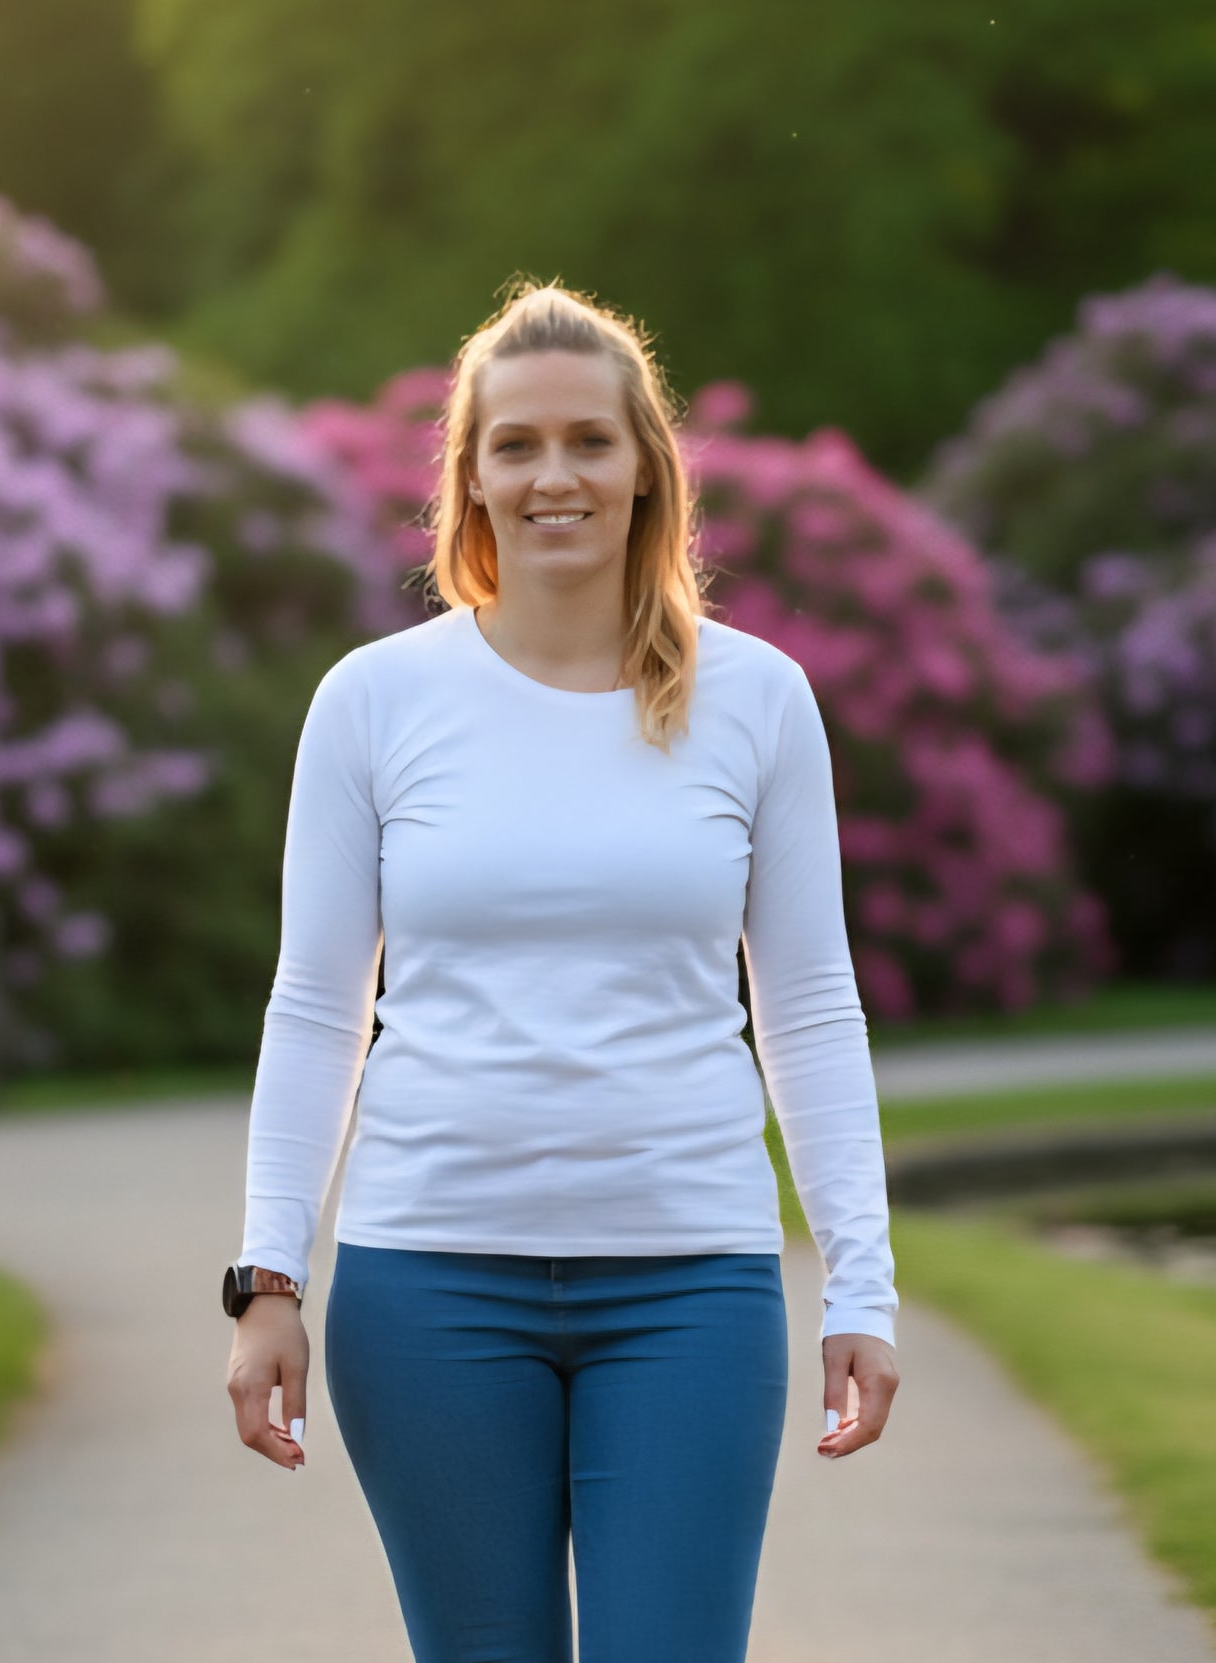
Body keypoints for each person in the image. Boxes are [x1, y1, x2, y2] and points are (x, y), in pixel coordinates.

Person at [225, 278, 900, 1663]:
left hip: (690, 1286)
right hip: (427, 1287)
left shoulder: (758, 699)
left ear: (647, 468)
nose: (555, 476)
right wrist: (266, 1281)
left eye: (590, 441)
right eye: (517, 444)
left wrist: (862, 1286)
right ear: (469, 477)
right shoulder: (373, 702)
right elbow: (314, 1009)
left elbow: (811, 1011)